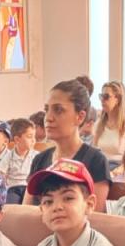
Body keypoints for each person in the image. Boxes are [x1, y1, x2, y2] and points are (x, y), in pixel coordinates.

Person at [25, 80, 112, 211]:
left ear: (80, 117)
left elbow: (94, 217)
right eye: (47, 110)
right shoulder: (39, 160)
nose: (48, 118)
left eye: (58, 110)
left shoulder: (96, 160)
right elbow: (26, 211)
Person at [93, 81, 125, 166]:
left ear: (117, 99)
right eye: (101, 96)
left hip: (119, 165)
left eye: (106, 96)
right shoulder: (99, 123)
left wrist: (121, 169)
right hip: (101, 165)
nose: (102, 100)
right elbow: (94, 151)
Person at [1, 117, 39, 205]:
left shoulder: (37, 156)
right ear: (17, 139)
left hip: (30, 189)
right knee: (10, 206)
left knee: (33, 205)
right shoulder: (9, 156)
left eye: (34, 136)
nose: (33, 140)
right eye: (30, 137)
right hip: (13, 189)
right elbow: (1, 174)